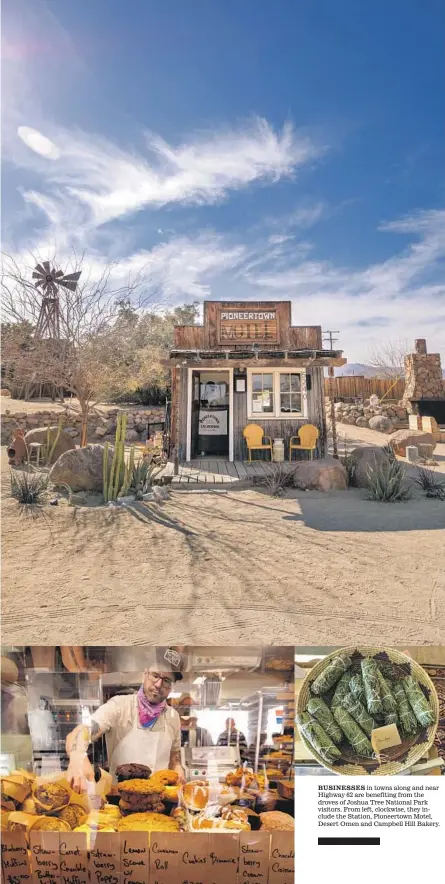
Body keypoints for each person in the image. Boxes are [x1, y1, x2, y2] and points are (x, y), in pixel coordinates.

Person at [66, 648, 185, 791]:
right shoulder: (120, 706)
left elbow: (174, 756)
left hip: (158, 803)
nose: (158, 684)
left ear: (172, 686)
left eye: (166, 680)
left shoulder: (173, 717)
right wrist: (77, 756)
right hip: (120, 802)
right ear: (145, 673)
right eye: (155, 675)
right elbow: (85, 729)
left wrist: (178, 769)